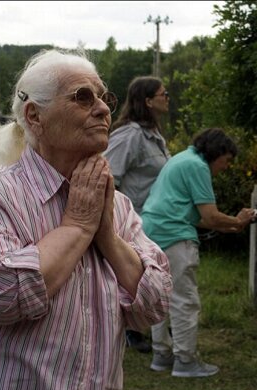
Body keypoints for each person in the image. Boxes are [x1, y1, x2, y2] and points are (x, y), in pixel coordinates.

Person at [0, 49, 172, 390]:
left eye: (103, 97)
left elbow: (156, 303)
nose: (103, 109)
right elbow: (1, 296)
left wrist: (109, 239)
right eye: (82, 98)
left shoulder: (116, 205)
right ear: (35, 116)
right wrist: (77, 228)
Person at [141, 127, 256, 378]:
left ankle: (162, 355)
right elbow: (211, 216)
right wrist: (237, 221)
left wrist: (231, 225)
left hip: (152, 232)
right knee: (184, 300)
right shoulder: (198, 166)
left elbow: (196, 215)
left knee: (160, 296)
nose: (225, 167)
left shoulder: (182, 159)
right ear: (217, 153)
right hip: (174, 238)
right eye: (226, 161)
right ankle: (185, 360)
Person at [104, 76, 171, 353]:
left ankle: (145, 325)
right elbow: (108, 177)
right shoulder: (129, 135)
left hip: (152, 219)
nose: (168, 97)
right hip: (131, 221)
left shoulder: (153, 135)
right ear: (147, 100)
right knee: (130, 273)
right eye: (163, 93)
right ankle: (130, 329)